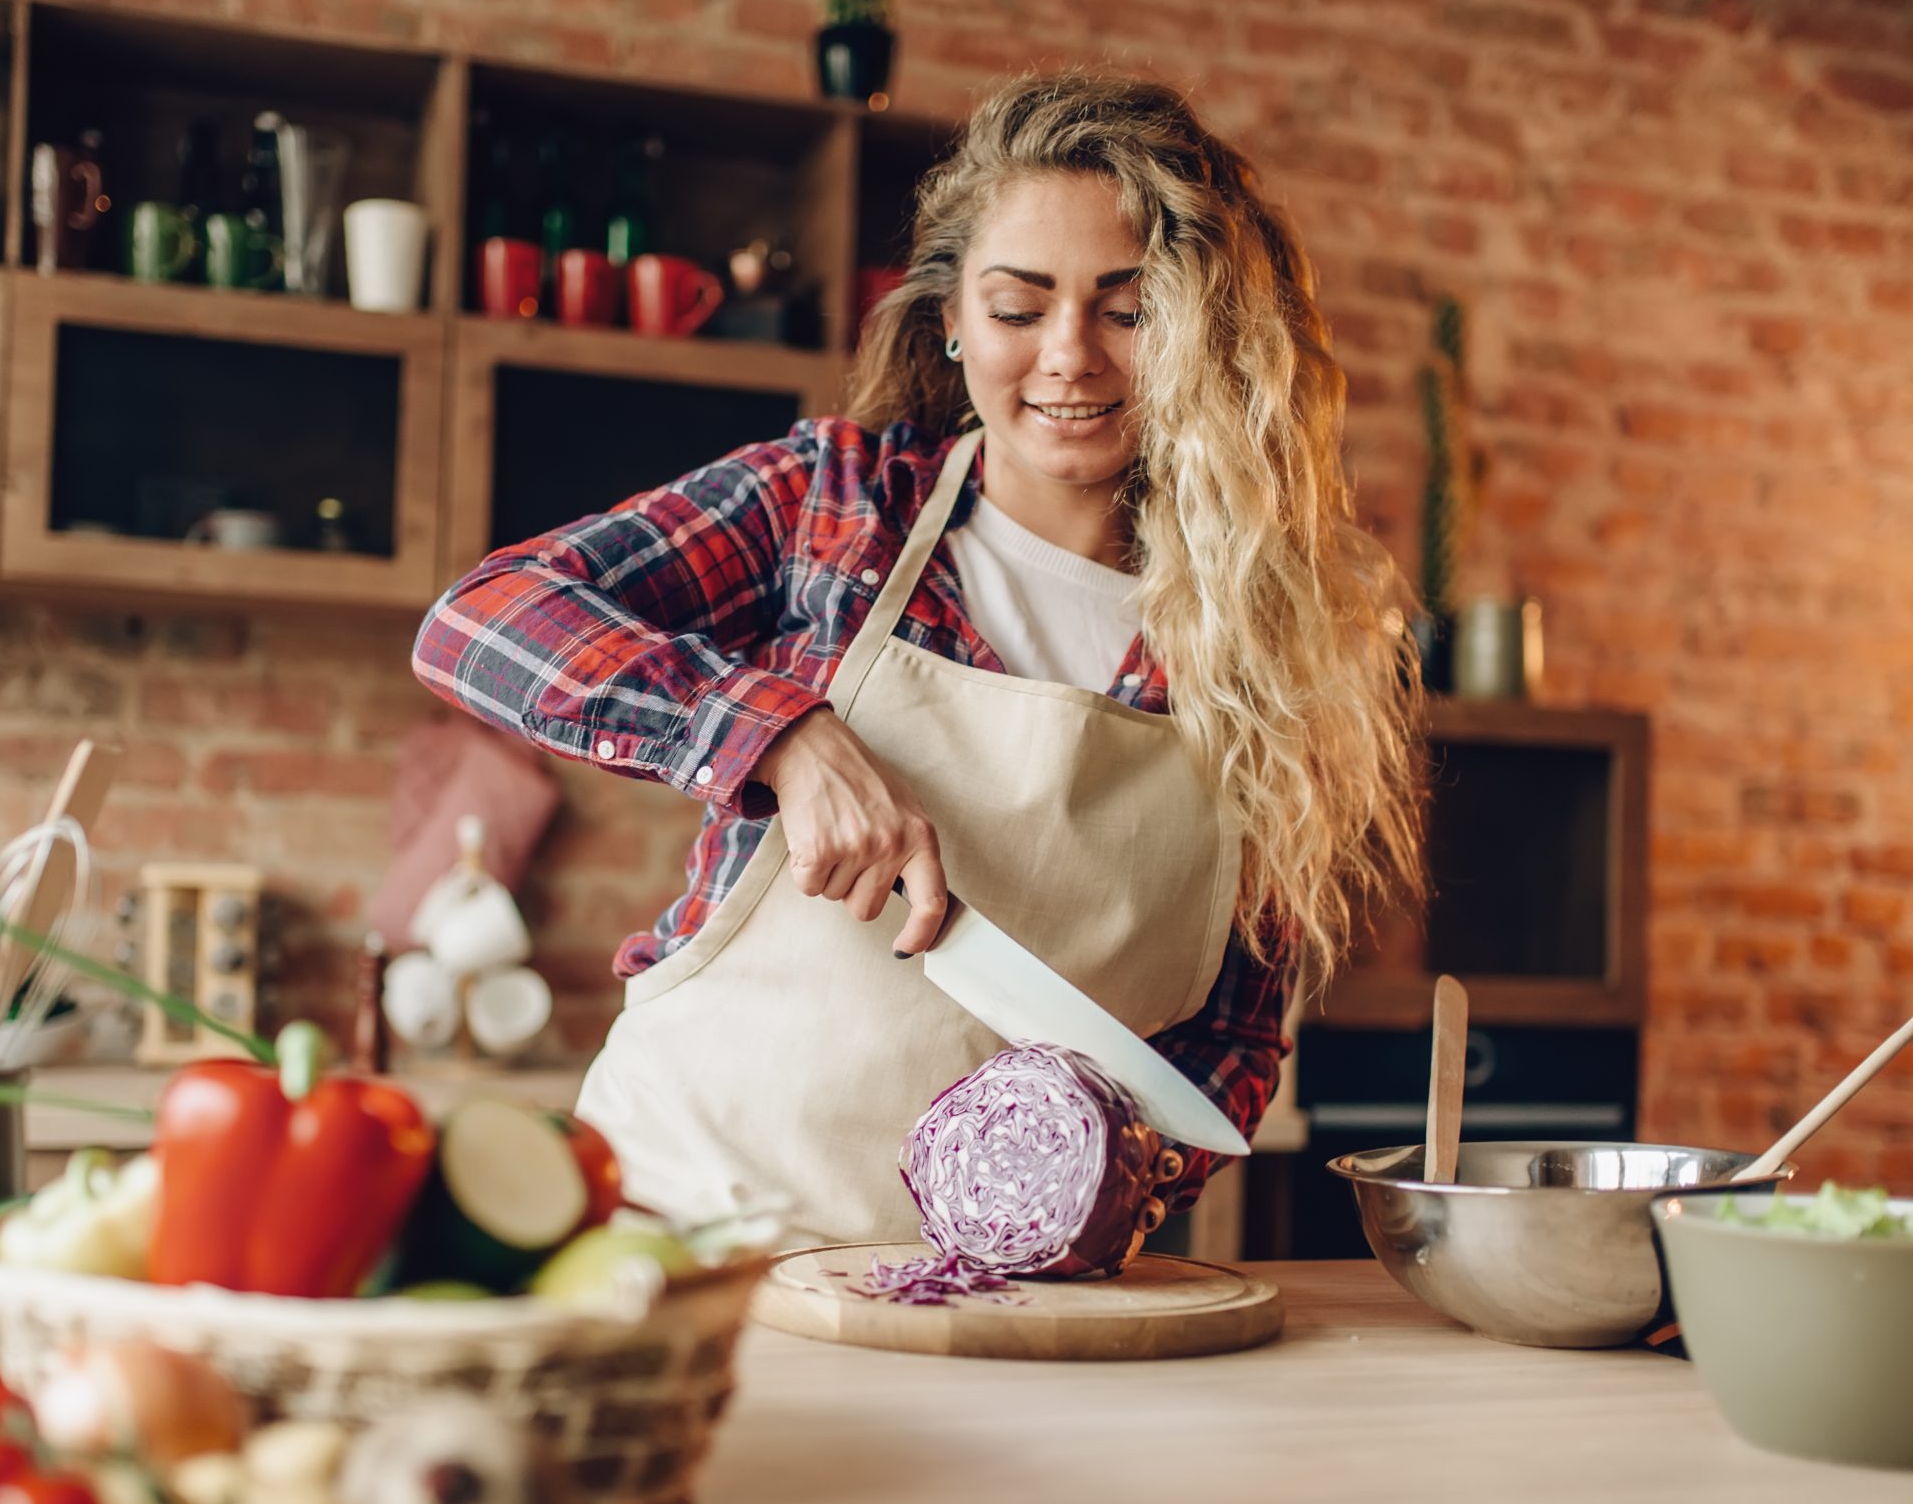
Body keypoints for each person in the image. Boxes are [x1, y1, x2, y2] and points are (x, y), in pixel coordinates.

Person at [414, 70, 1424, 1246]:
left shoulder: (1262, 654)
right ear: (950, 316)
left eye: (1127, 308)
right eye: (1017, 305)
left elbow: (1227, 1044)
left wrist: (1102, 1187)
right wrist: (779, 734)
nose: (1069, 356)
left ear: (1203, 333)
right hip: (670, 1231)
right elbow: (483, 617)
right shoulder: (834, 506)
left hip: (995, 1309)